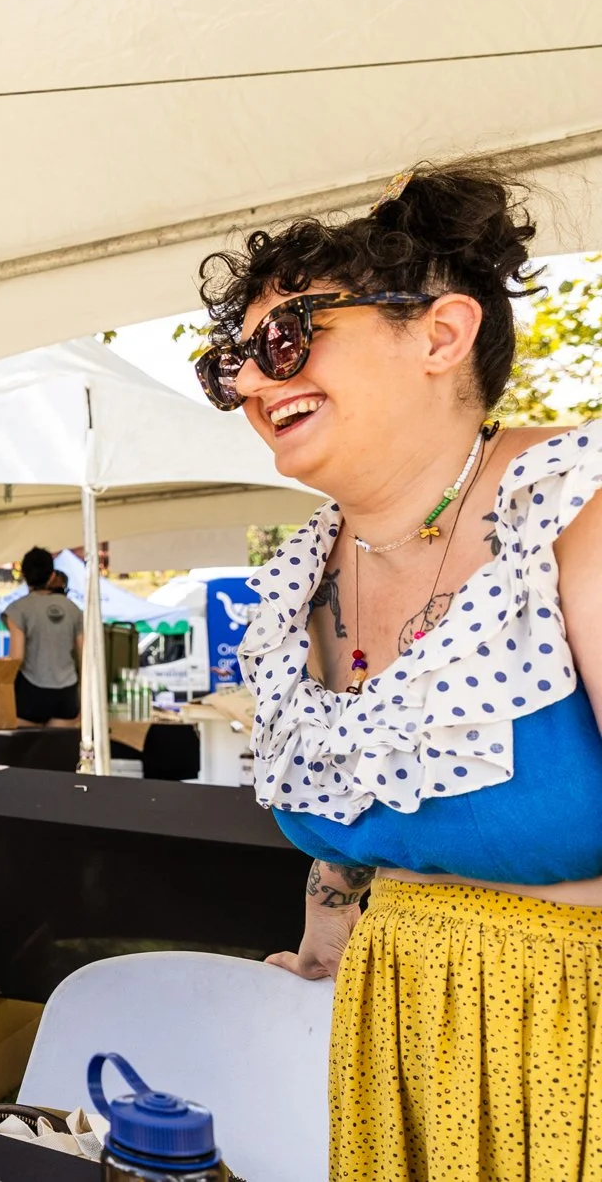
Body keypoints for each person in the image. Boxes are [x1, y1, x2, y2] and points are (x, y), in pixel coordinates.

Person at [198, 164, 602, 1179]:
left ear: (439, 334)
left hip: (574, 1044)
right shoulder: (302, 577)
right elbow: (367, 811)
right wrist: (328, 935)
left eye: (287, 339)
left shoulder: (573, 518)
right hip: (396, 1044)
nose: (250, 385)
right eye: (232, 363)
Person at [5, 547, 83, 728]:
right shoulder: (73, 609)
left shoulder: (17, 610)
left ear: (24, 575)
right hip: (67, 694)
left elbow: (16, 657)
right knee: (57, 743)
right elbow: (85, 656)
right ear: (52, 575)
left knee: (26, 742)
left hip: (31, 694)